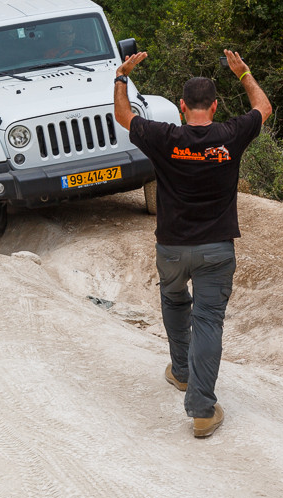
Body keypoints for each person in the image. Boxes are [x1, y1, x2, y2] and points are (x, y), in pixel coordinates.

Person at [113, 49, 272, 438]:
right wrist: (244, 72)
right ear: (214, 106)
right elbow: (263, 107)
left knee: (173, 301)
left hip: (171, 247)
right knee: (208, 321)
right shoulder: (231, 135)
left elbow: (122, 116)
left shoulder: (163, 136)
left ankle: (181, 373)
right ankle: (202, 410)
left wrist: (121, 76)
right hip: (216, 250)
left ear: (182, 107)